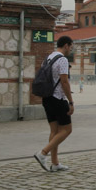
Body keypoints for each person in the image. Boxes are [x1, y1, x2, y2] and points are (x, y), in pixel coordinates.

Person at [34, 35, 75, 172]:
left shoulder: (48, 58)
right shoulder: (62, 60)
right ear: (66, 45)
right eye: (71, 47)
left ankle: (55, 163)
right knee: (67, 130)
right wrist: (71, 101)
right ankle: (43, 153)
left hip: (47, 98)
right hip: (58, 98)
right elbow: (64, 81)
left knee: (54, 131)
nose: (70, 50)